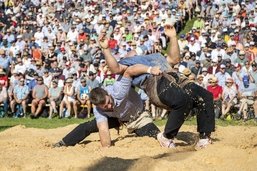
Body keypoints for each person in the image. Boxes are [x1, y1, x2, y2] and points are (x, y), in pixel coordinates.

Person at [98, 26, 215, 148]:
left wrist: (173, 38)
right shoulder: (127, 62)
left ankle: (204, 137)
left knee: (205, 96)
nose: (134, 50)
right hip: (155, 83)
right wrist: (106, 50)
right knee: (182, 100)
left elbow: (174, 59)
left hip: (175, 78)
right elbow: (115, 68)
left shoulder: (155, 56)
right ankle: (166, 137)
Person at [53, 65, 161, 148]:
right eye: (105, 106)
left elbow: (129, 71)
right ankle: (63, 143)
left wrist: (150, 69)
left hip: (137, 117)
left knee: (154, 135)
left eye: (108, 102)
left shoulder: (118, 90)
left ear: (107, 94)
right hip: (117, 117)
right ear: (98, 106)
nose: (109, 105)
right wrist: (107, 149)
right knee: (88, 126)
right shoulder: (98, 109)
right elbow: (103, 130)